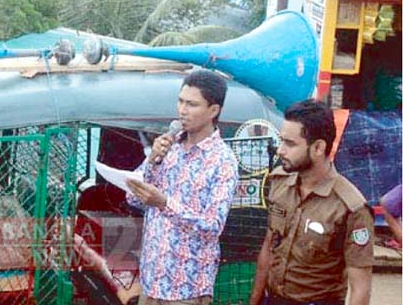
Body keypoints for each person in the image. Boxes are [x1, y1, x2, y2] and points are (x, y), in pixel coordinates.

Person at [125, 70, 238, 305]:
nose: (182, 111)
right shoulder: (169, 146)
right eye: (180, 101)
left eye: (192, 104)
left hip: (186, 289)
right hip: (151, 282)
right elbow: (132, 198)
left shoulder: (222, 161)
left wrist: (165, 203)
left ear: (213, 110)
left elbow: (212, 226)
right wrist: (153, 160)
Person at [249, 100, 373, 305]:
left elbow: (360, 288)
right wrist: (255, 300)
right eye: (281, 141)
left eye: (290, 143)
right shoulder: (279, 183)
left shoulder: (351, 208)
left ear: (318, 148)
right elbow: (269, 246)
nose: (280, 151)